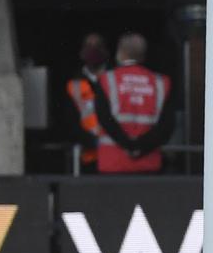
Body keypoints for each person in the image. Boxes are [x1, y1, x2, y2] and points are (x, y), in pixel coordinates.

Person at [91, 32, 174, 174]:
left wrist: (128, 145)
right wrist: (139, 147)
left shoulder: (107, 80)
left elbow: (104, 119)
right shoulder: (161, 83)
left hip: (112, 163)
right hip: (148, 163)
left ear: (120, 52)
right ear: (143, 54)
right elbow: (166, 126)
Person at [60, 32, 110, 173]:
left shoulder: (115, 80)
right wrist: (90, 141)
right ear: (82, 52)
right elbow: (70, 121)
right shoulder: (74, 84)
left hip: (115, 156)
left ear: (106, 51)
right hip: (87, 158)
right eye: (89, 46)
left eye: (98, 46)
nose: (93, 50)